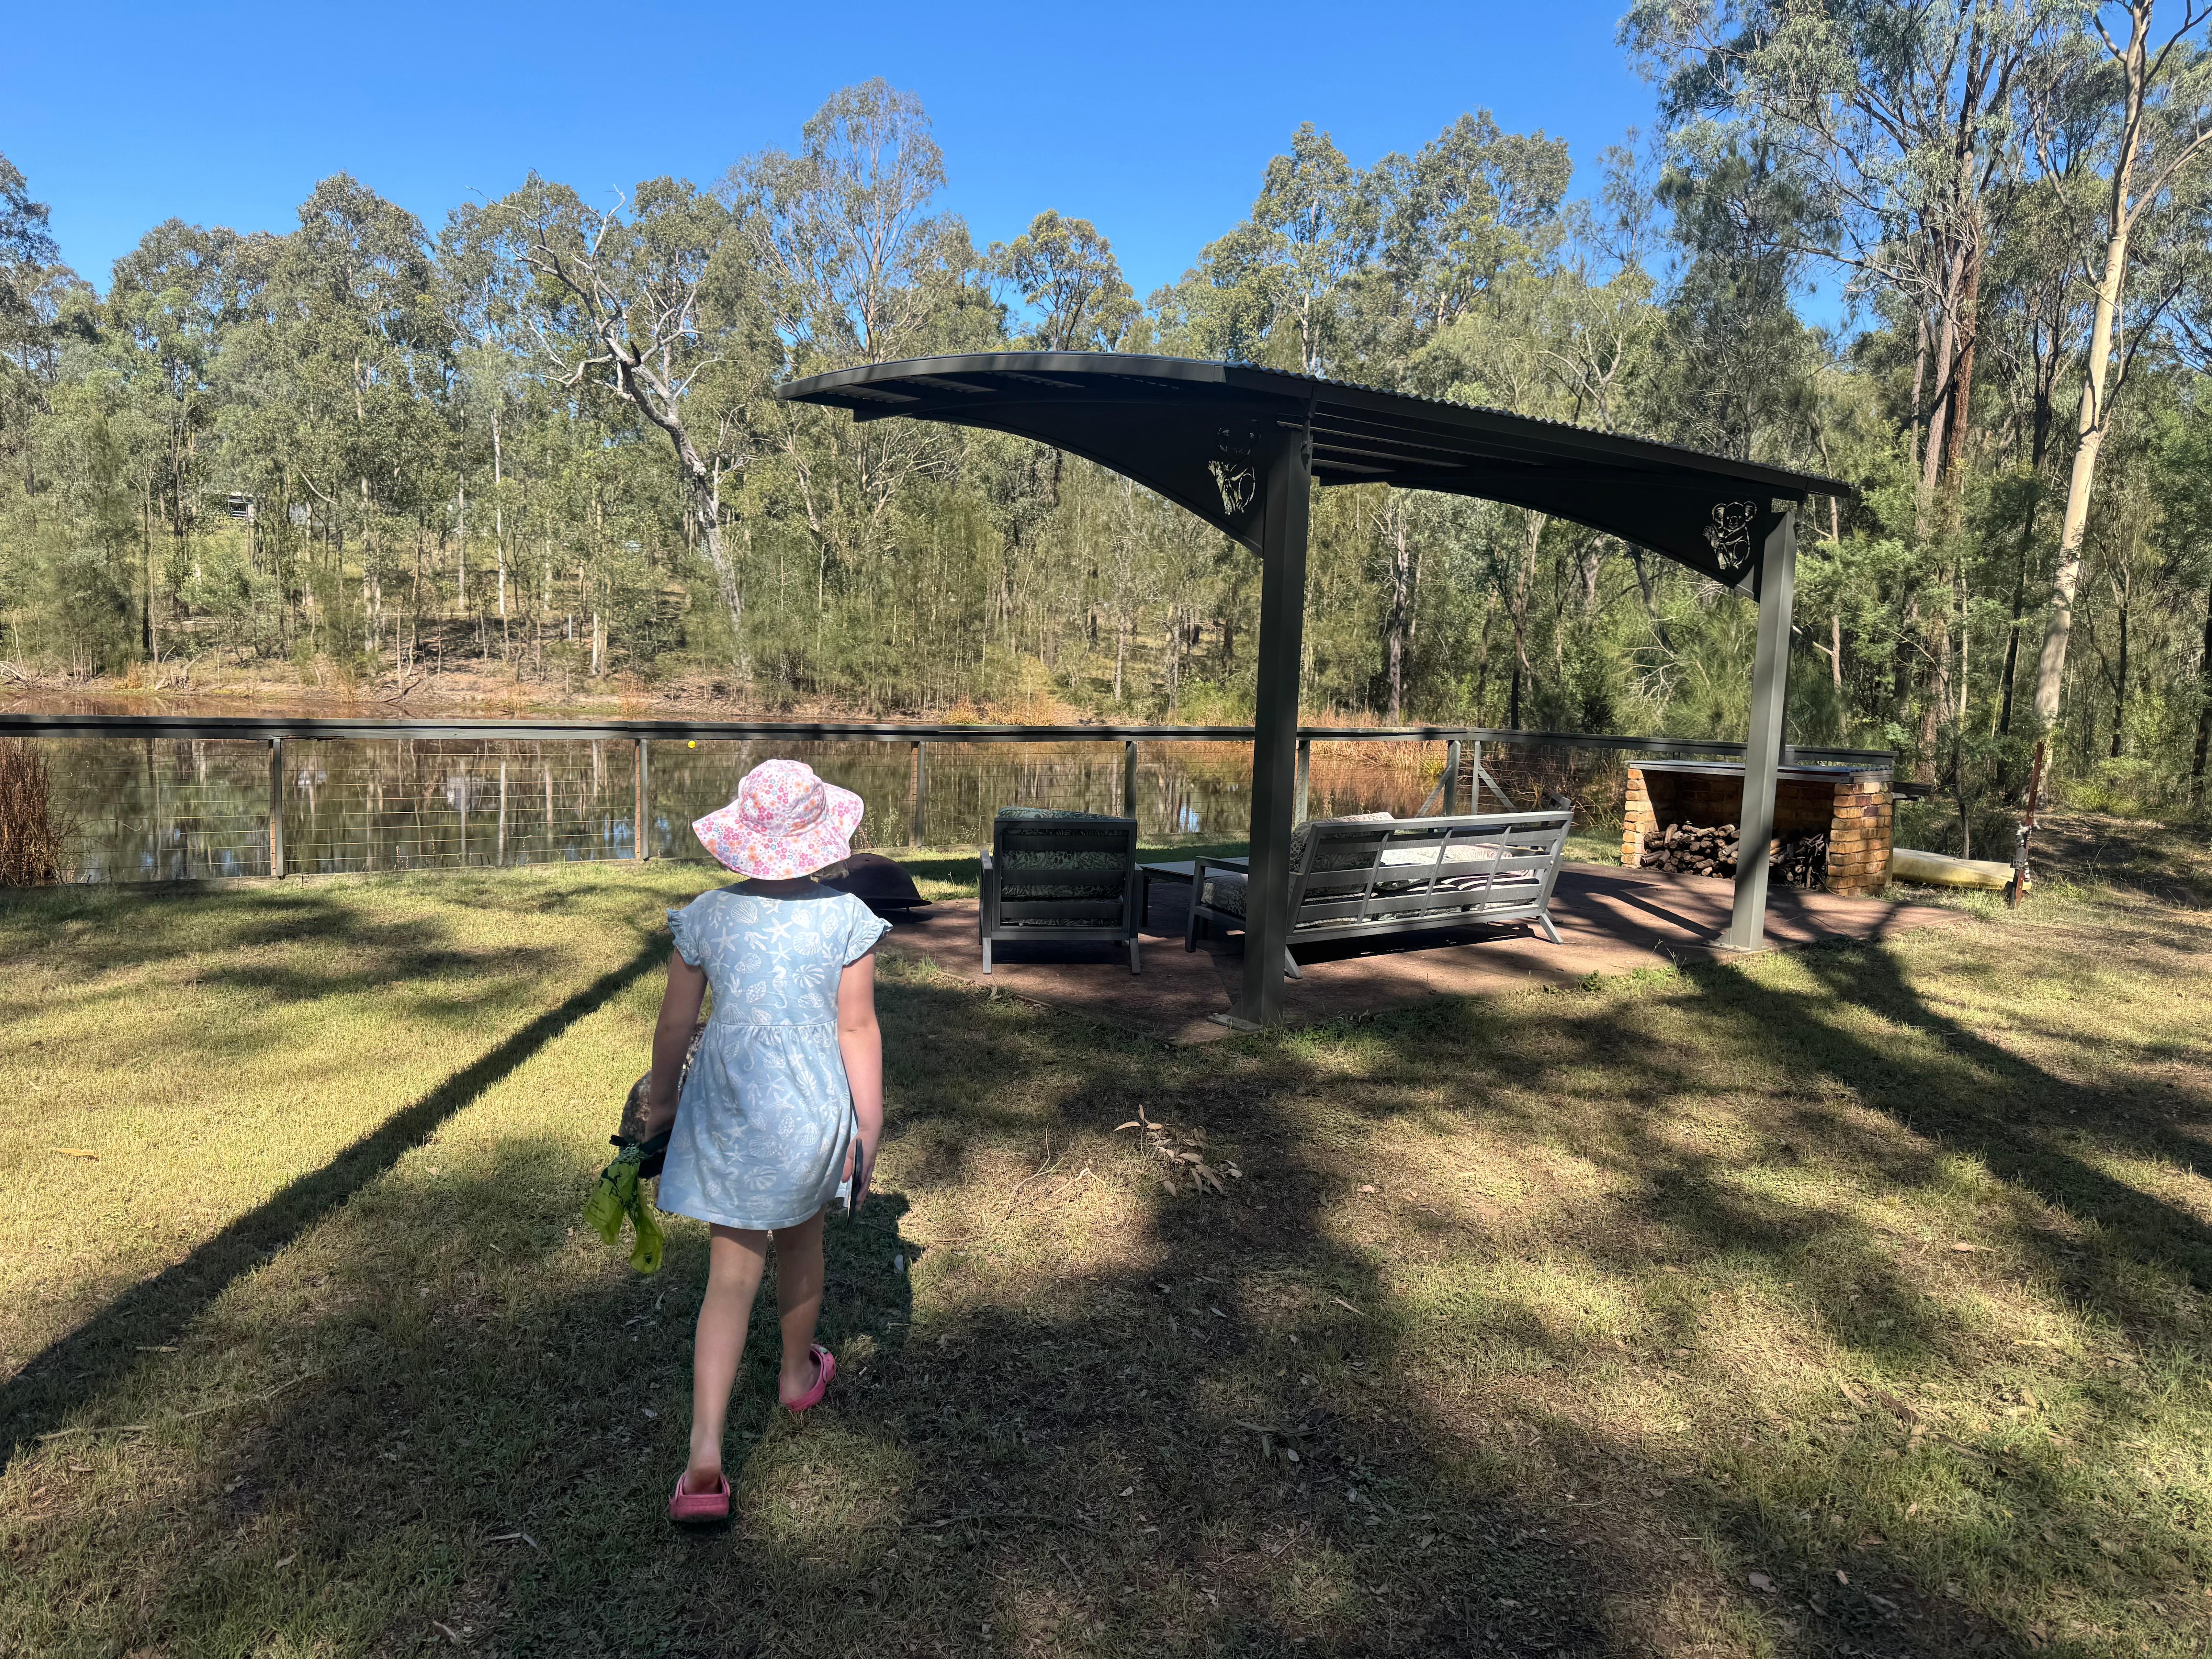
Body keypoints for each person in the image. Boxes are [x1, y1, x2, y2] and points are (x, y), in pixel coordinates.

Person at [634, 759, 887, 1524]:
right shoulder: (845, 918)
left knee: (727, 1281)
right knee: (802, 1247)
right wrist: (868, 1128)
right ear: (822, 838)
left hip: (727, 1112)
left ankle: (704, 1457)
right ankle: (791, 1371)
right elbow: (857, 1028)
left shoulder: (707, 915)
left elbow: (676, 1026)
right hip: (811, 1114)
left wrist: (664, 1102)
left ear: (743, 838)